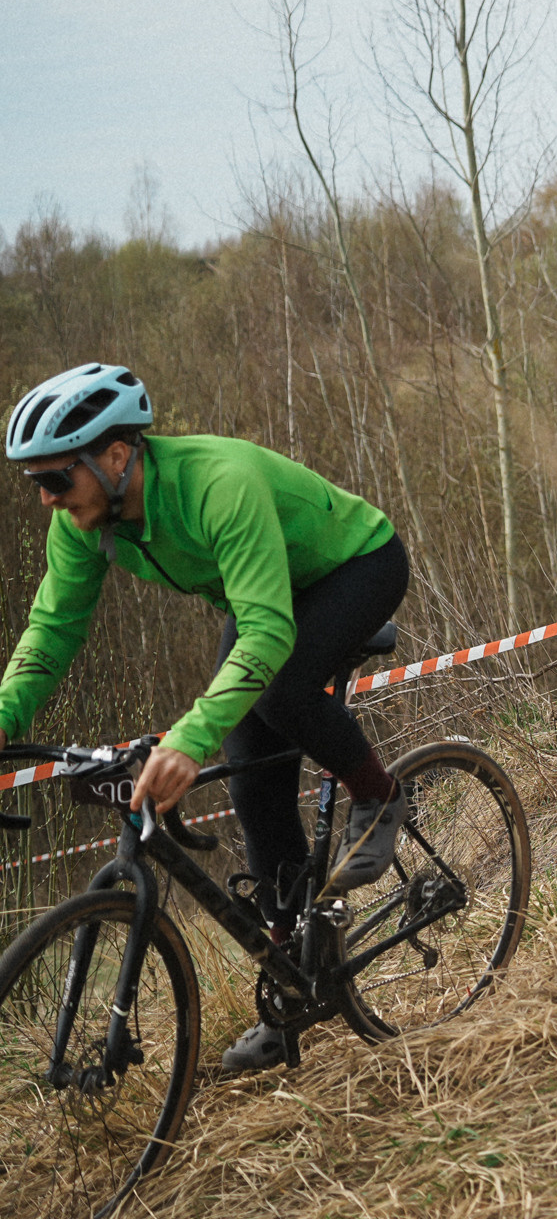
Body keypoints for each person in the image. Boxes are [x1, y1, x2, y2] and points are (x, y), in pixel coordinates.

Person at [0, 364, 412, 1073]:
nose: (44, 498)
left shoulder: (219, 484)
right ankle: (290, 993)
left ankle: (380, 798)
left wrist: (190, 738)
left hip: (355, 565)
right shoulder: (82, 525)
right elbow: (51, 632)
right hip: (267, 599)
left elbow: (267, 634)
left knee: (280, 694)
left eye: (57, 479)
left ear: (117, 455)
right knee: (255, 792)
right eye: (34, 481)